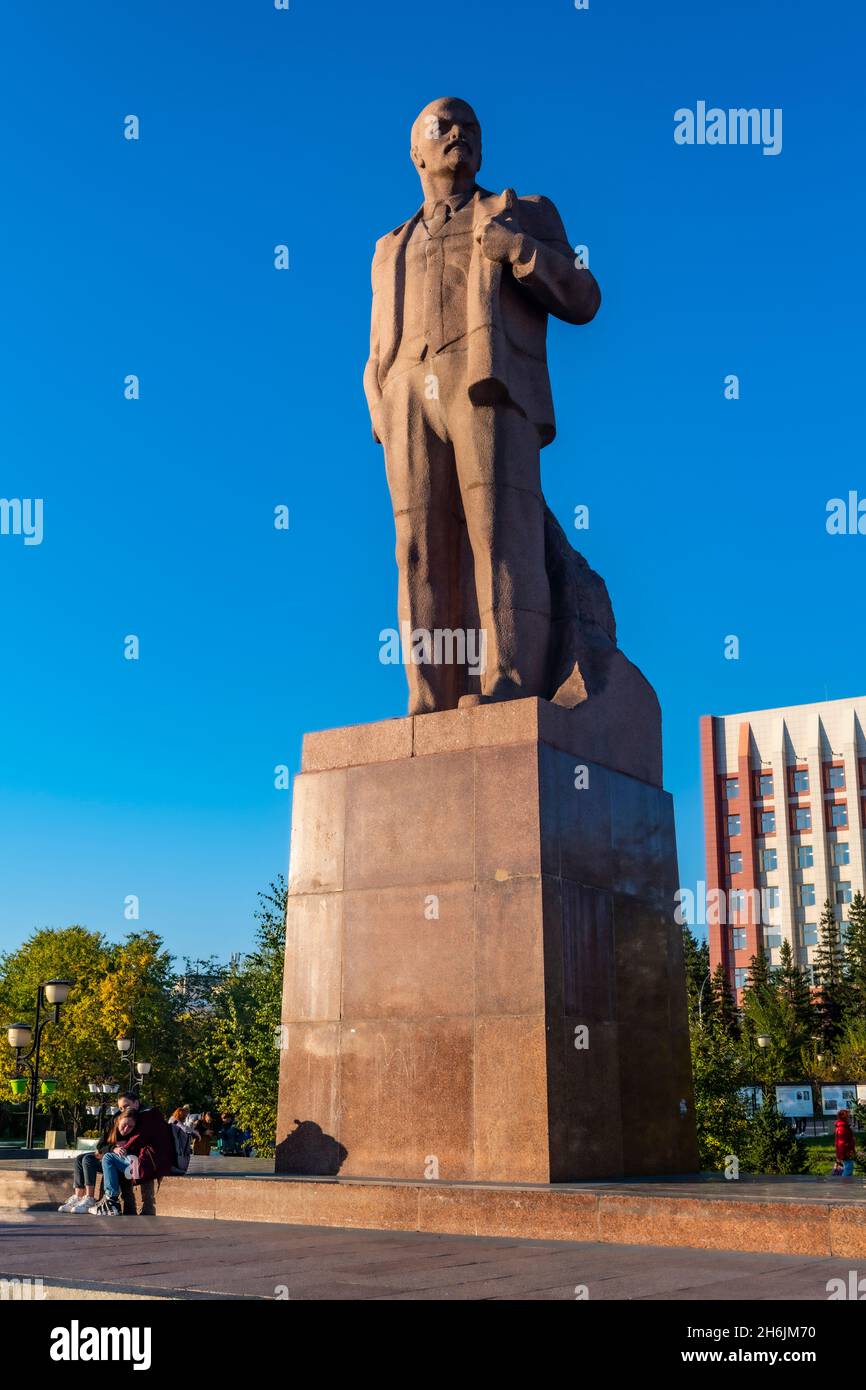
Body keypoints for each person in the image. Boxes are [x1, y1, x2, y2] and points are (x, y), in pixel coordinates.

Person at [834, 1108, 856, 1177]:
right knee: (848, 1168)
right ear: (844, 1117)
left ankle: (846, 1182)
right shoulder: (842, 1128)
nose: (850, 1118)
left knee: (847, 1167)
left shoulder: (843, 1126)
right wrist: (850, 1146)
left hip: (845, 1151)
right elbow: (842, 1142)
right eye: (849, 1116)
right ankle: (844, 1184)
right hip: (846, 1152)